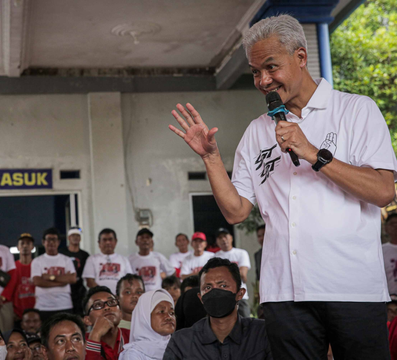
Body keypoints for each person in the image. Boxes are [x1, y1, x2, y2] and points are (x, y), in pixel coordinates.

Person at [170, 13, 397, 359]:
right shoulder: (256, 132)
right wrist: (211, 158)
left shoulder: (355, 110)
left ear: (301, 57)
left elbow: (383, 191)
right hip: (284, 293)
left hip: (352, 287)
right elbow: (236, 211)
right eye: (255, 72)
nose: (262, 80)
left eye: (271, 67)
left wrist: (312, 154)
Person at [163, 258, 272, 359]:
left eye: (223, 286)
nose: (214, 293)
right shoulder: (182, 342)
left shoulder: (262, 333)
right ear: (201, 298)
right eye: (208, 287)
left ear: (240, 293)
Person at [31, 228, 76, 323]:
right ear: (43, 242)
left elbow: (72, 279)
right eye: (48, 239)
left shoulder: (66, 260)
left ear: (58, 242)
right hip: (43, 306)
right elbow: (37, 281)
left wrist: (51, 277)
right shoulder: (37, 261)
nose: (51, 242)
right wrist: (62, 281)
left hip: (65, 305)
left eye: (54, 239)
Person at [119, 289, 176, 360]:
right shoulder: (134, 354)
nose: (169, 317)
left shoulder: (178, 348)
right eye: (161, 311)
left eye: (172, 313)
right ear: (145, 317)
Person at [83, 286, 130, 360]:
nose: (107, 307)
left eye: (112, 302)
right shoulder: (80, 342)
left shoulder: (133, 337)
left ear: (120, 313)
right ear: (88, 320)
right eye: (98, 305)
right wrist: (95, 335)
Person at [214, 228, 252, 317]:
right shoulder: (215, 257)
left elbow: (243, 275)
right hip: (222, 297)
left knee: (246, 325)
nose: (223, 239)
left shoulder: (241, 253)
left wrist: (222, 273)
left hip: (240, 296)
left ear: (231, 238)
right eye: (220, 238)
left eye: (225, 236)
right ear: (217, 241)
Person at [59, 226, 90, 316]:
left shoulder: (85, 255)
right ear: (69, 238)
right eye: (73, 235)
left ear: (80, 238)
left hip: (79, 290)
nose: (75, 238)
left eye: (77, 235)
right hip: (64, 289)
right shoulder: (62, 253)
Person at [13, 233, 36, 324]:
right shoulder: (12, 267)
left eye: (28, 243)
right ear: (17, 247)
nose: (25, 246)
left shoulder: (38, 266)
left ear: (32, 247)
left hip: (36, 313)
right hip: (17, 313)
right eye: (22, 243)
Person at [384, 214, 397, 295]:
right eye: (392, 224)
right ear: (386, 228)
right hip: (389, 299)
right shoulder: (381, 250)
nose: (396, 227)